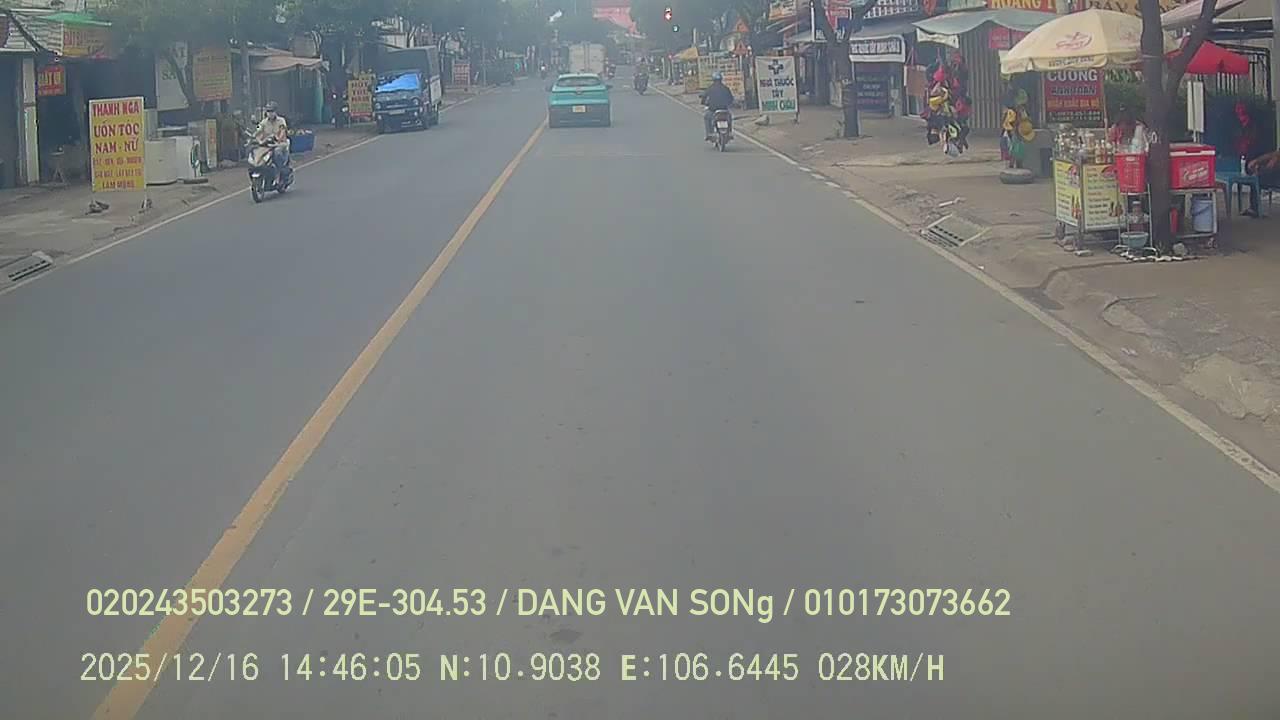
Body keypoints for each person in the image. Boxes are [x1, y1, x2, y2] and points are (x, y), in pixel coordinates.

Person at [254, 101, 291, 180]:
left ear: (275, 111)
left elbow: (282, 131)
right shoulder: (263, 122)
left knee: (277, 153)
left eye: (272, 111)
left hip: (279, 144)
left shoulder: (281, 121)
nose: (270, 113)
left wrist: (278, 139)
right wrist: (254, 136)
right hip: (267, 145)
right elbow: (258, 129)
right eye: (268, 111)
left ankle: (280, 172)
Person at [700, 72, 734, 140]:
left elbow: (704, 97)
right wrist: (729, 104)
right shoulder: (725, 88)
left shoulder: (710, 88)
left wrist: (703, 102)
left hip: (713, 110)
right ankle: (729, 132)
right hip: (724, 109)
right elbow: (731, 99)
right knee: (729, 117)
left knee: (707, 117)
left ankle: (709, 133)